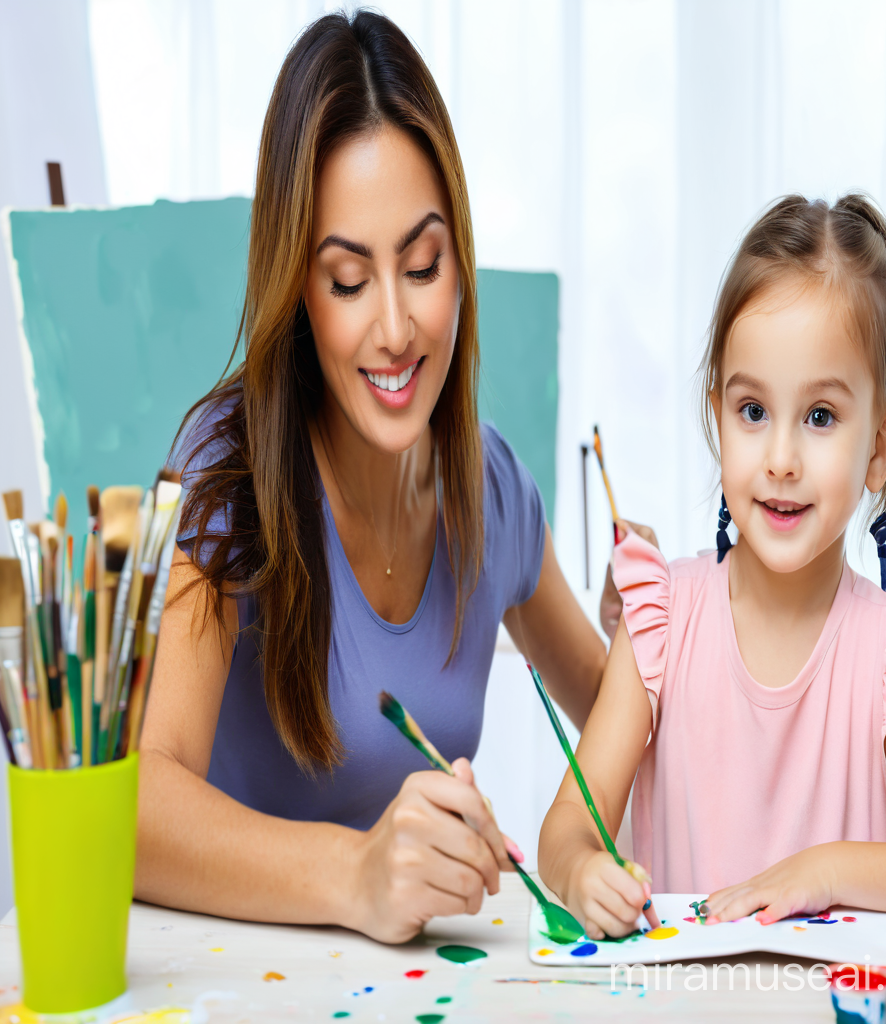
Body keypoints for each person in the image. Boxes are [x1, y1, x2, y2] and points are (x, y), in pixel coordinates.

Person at [135, 11, 616, 944]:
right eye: (349, 280)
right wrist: (354, 875)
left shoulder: (493, 486)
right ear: (298, 292)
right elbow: (141, 808)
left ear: (460, 265)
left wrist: (657, 634)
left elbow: (613, 714)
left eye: (423, 265)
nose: (395, 329)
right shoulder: (223, 476)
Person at [538, 193, 886, 940]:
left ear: (882, 445)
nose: (782, 460)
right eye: (753, 411)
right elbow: (567, 825)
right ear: (716, 414)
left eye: (820, 417)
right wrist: (581, 870)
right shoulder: (659, 621)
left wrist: (823, 870)